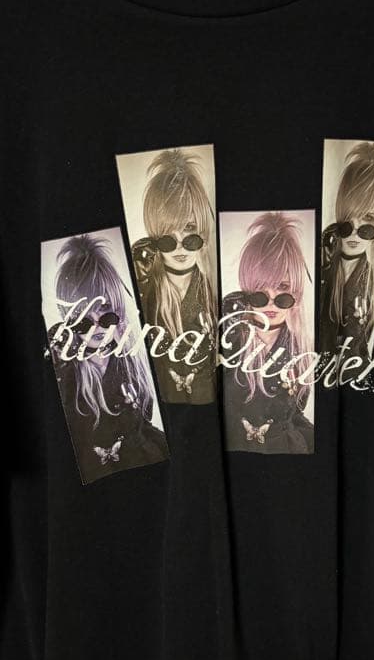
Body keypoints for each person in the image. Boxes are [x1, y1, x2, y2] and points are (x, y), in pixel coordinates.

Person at [44, 232, 169, 483]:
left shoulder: (130, 359)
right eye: (83, 321)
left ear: (118, 311)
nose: (96, 328)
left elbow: (144, 421)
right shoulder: (62, 368)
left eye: (106, 315)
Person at [220, 211, 315, 454]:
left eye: (283, 288)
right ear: (247, 290)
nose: (271, 301)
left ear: (296, 293)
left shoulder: (301, 348)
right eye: (261, 291)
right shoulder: (227, 333)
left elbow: (295, 413)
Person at [130, 147, 218, 404]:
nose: (180, 246)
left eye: (189, 230)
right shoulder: (145, 290)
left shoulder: (213, 288)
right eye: (168, 237)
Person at [319, 140, 374, 364]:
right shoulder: (322, 261)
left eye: (367, 221)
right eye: (347, 221)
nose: (354, 232)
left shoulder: (373, 283)